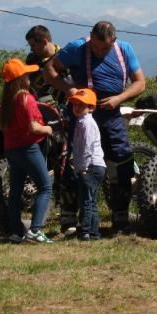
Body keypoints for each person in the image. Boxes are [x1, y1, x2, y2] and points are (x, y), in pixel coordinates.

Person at [43, 21, 145, 232]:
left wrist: (120, 98)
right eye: (95, 47)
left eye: (104, 48)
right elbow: (49, 69)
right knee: (74, 161)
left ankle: (120, 218)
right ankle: (69, 219)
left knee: (121, 160)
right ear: (90, 36)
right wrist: (68, 88)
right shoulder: (77, 47)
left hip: (112, 113)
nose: (98, 51)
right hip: (81, 113)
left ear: (113, 41)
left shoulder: (125, 50)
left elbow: (140, 83)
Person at [0, 58, 54, 243]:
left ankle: (17, 232)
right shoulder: (26, 99)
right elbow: (33, 127)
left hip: (11, 148)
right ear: (22, 79)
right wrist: (49, 129)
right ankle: (35, 230)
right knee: (45, 187)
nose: (30, 77)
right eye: (27, 74)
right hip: (28, 147)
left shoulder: (8, 100)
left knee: (15, 190)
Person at [69, 88, 105, 241]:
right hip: (90, 165)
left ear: (91, 107)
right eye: (75, 104)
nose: (76, 108)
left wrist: (82, 167)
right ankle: (94, 232)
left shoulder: (87, 123)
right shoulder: (81, 122)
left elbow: (87, 147)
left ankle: (85, 231)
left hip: (91, 166)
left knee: (87, 200)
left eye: (81, 105)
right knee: (90, 199)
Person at [24, 25, 65, 102]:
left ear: (44, 42)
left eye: (33, 45)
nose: (31, 49)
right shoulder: (31, 59)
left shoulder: (63, 59)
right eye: (29, 46)